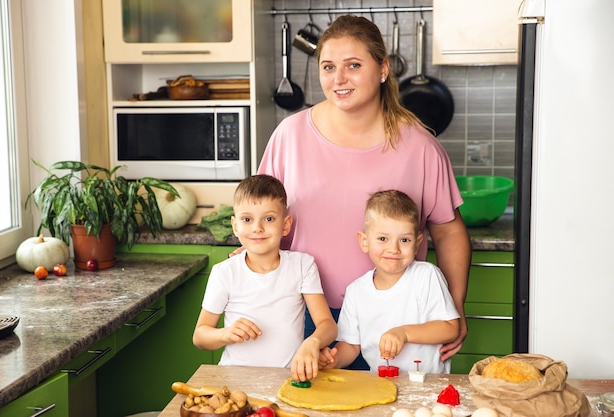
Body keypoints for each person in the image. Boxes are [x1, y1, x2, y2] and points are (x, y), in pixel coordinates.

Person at [257, 14, 471, 366]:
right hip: (301, 311)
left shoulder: (419, 146)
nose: (338, 79)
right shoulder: (289, 136)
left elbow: (448, 231)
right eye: (328, 67)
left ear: (383, 69)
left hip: (395, 318)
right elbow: (266, 215)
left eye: (353, 65)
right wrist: (251, 253)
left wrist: (455, 306)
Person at [192, 174, 337, 382]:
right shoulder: (224, 272)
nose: (257, 228)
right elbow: (200, 337)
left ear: (285, 225)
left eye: (269, 219)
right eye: (247, 219)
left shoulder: (302, 265)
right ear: (235, 226)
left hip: (288, 380)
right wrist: (226, 333)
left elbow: (328, 325)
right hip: (235, 380)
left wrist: (312, 342)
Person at [318, 190, 460, 373]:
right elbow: (352, 346)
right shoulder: (356, 291)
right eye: (383, 239)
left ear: (417, 243)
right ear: (364, 241)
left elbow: (450, 328)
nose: (393, 249)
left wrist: (404, 333)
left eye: (404, 240)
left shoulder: (427, 276)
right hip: (381, 387)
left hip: (428, 389)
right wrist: (333, 360)